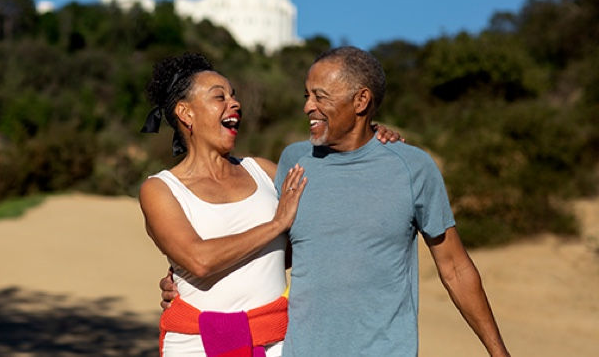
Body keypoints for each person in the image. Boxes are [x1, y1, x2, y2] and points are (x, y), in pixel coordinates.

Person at [159, 47, 510, 356]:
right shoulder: (293, 162)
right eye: (307, 94)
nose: (307, 106)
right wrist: (187, 283)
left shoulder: (412, 167)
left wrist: (498, 352)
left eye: (320, 96)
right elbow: (273, 254)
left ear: (361, 101)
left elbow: (456, 268)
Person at [138, 53, 400, 356]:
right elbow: (199, 260)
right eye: (219, 97)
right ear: (186, 113)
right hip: (195, 344)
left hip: (278, 339)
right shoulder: (160, 189)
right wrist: (276, 225)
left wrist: (368, 137)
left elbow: (335, 205)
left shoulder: (263, 171)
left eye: (234, 96)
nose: (234, 104)